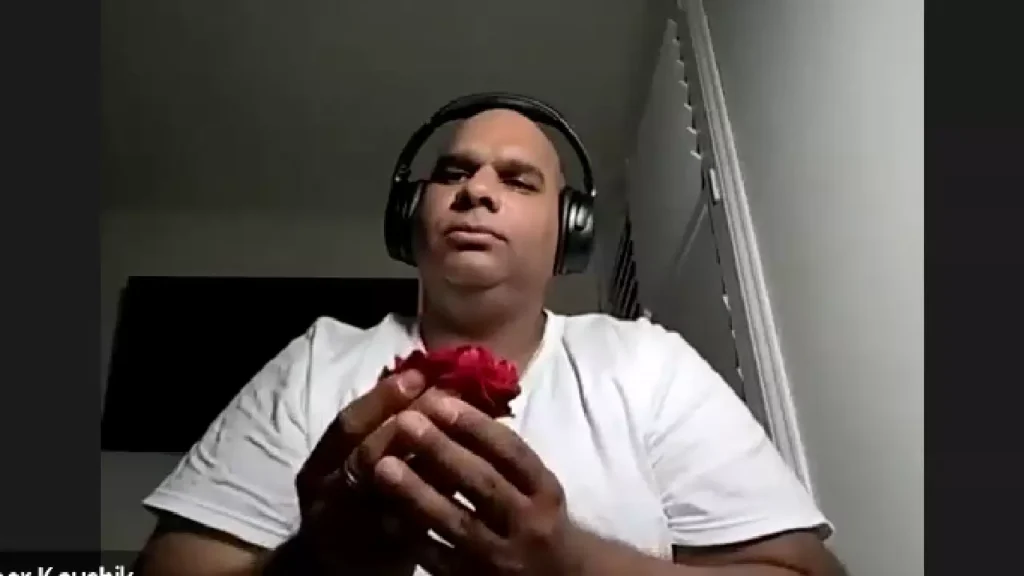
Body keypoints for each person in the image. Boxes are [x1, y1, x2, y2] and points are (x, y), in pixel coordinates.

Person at [134, 94, 846, 575]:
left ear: (567, 235)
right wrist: (311, 563)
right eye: (452, 173)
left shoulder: (645, 362)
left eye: (517, 180)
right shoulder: (320, 360)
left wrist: (569, 561)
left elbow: (805, 571)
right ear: (411, 216)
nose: (476, 190)